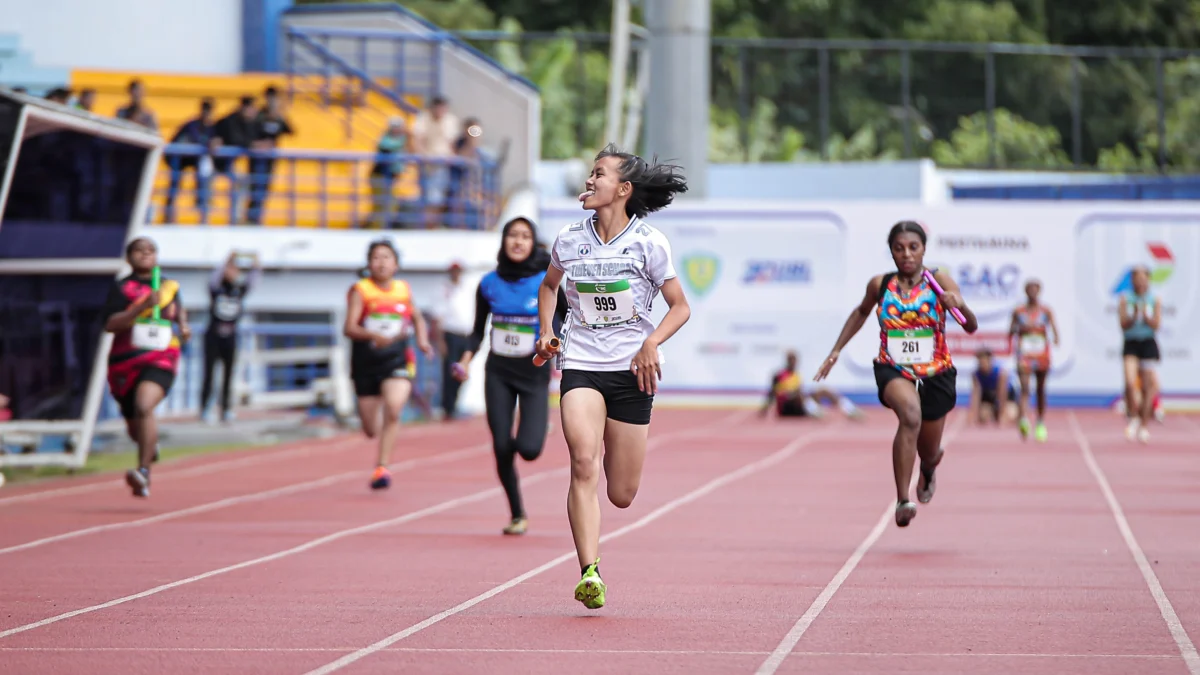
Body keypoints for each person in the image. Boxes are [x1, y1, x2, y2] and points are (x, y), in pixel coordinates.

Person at [534, 144, 691, 610]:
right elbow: (548, 287)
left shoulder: (649, 243)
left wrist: (650, 343)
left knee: (621, 493)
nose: (588, 181)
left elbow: (680, 307)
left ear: (622, 189)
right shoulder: (568, 239)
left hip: (630, 374)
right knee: (582, 463)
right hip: (581, 365)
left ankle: (611, 469)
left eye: (597, 174)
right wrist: (547, 332)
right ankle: (590, 571)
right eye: (590, 173)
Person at [814, 221, 978, 528]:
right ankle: (903, 499)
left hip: (936, 371)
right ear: (891, 251)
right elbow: (861, 312)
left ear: (924, 249)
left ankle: (928, 467)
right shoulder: (880, 284)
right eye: (899, 248)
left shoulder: (939, 282)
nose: (906, 254)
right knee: (910, 414)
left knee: (929, 449)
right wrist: (836, 350)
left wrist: (960, 305)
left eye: (913, 247)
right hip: (894, 367)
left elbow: (970, 326)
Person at [452, 217, 568, 535]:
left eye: (525, 236)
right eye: (512, 236)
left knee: (529, 449)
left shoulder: (546, 280)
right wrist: (465, 360)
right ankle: (517, 513)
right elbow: (477, 332)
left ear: (533, 243)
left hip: (533, 371)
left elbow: (564, 317)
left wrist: (554, 341)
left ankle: (536, 424)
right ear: (503, 242)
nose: (518, 242)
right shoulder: (489, 283)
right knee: (502, 445)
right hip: (498, 372)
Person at [103, 237, 192, 498]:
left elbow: (180, 313)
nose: (145, 254)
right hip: (125, 360)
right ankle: (149, 448)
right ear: (128, 257)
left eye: (151, 250)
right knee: (135, 424)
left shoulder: (169, 286)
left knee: (145, 405)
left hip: (161, 356)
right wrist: (141, 307)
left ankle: (143, 472)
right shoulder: (121, 288)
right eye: (139, 250)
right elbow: (110, 324)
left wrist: (184, 328)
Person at [343, 240, 433, 489]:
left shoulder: (403, 289)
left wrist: (423, 341)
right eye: (376, 258)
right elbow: (349, 327)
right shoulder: (361, 290)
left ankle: (382, 466)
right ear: (369, 263)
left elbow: (416, 318)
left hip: (397, 358)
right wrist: (373, 336)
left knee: (394, 408)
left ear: (396, 264)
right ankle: (380, 432)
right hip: (366, 361)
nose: (381, 263)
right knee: (371, 428)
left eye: (386, 257)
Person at [200, 251, 261, 424]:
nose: (233, 273)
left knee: (228, 375)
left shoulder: (239, 290)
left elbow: (253, 281)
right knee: (209, 374)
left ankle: (226, 409)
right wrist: (226, 260)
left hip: (231, 337)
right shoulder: (216, 288)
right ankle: (205, 408)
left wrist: (256, 265)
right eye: (230, 270)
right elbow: (214, 278)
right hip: (213, 336)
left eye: (235, 271)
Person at [1009, 279, 1058, 442]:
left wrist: (1055, 339)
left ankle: (1040, 422)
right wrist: (1020, 329)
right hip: (1025, 353)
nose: (1032, 292)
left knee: (1040, 389)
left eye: (1035, 289)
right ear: (1025, 292)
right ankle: (1023, 418)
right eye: (1029, 289)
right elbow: (1010, 331)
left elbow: (1054, 331)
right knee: (1024, 387)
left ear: (1039, 291)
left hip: (1041, 353)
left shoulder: (1046, 311)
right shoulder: (1018, 311)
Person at [1119, 265, 1161, 443]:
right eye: (1137, 280)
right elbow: (1123, 324)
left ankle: (1144, 425)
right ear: (1132, 281)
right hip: (1131, 344)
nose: (1140, 283)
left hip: (1148, 344)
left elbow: (1156, 325)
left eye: (1144, 279)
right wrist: (1133, 316)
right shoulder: (1125, 299)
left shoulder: (1154, 299)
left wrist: (1146, 316)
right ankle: (1133, 416)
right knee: (1129, 382)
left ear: (1148, 281)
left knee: (1147, 387)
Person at [760, 350, 862, 419]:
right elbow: (771, 393)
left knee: (823, 390)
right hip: (786, 408)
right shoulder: (778, 375)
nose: (793, 362)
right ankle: (815, 411)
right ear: (787, 360)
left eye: (794, 360)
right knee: (798, 394)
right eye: (791, 359)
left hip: (800, 403)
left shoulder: (796, 375)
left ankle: (848, 409)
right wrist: (764, 410)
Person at [968, 348, 1018, 425]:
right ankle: (994, 413)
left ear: (989, 360)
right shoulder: (976, 374)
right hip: (989, 398)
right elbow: (975, 395)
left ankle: (1001, 413)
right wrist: (973, 414)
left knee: (1011, 415)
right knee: (983, 416)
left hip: (1007, 397)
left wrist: (1002, 413)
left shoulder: (1001, 373)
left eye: (984, 361)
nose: (982, 364)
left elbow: (1002, 394)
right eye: (980, 361)